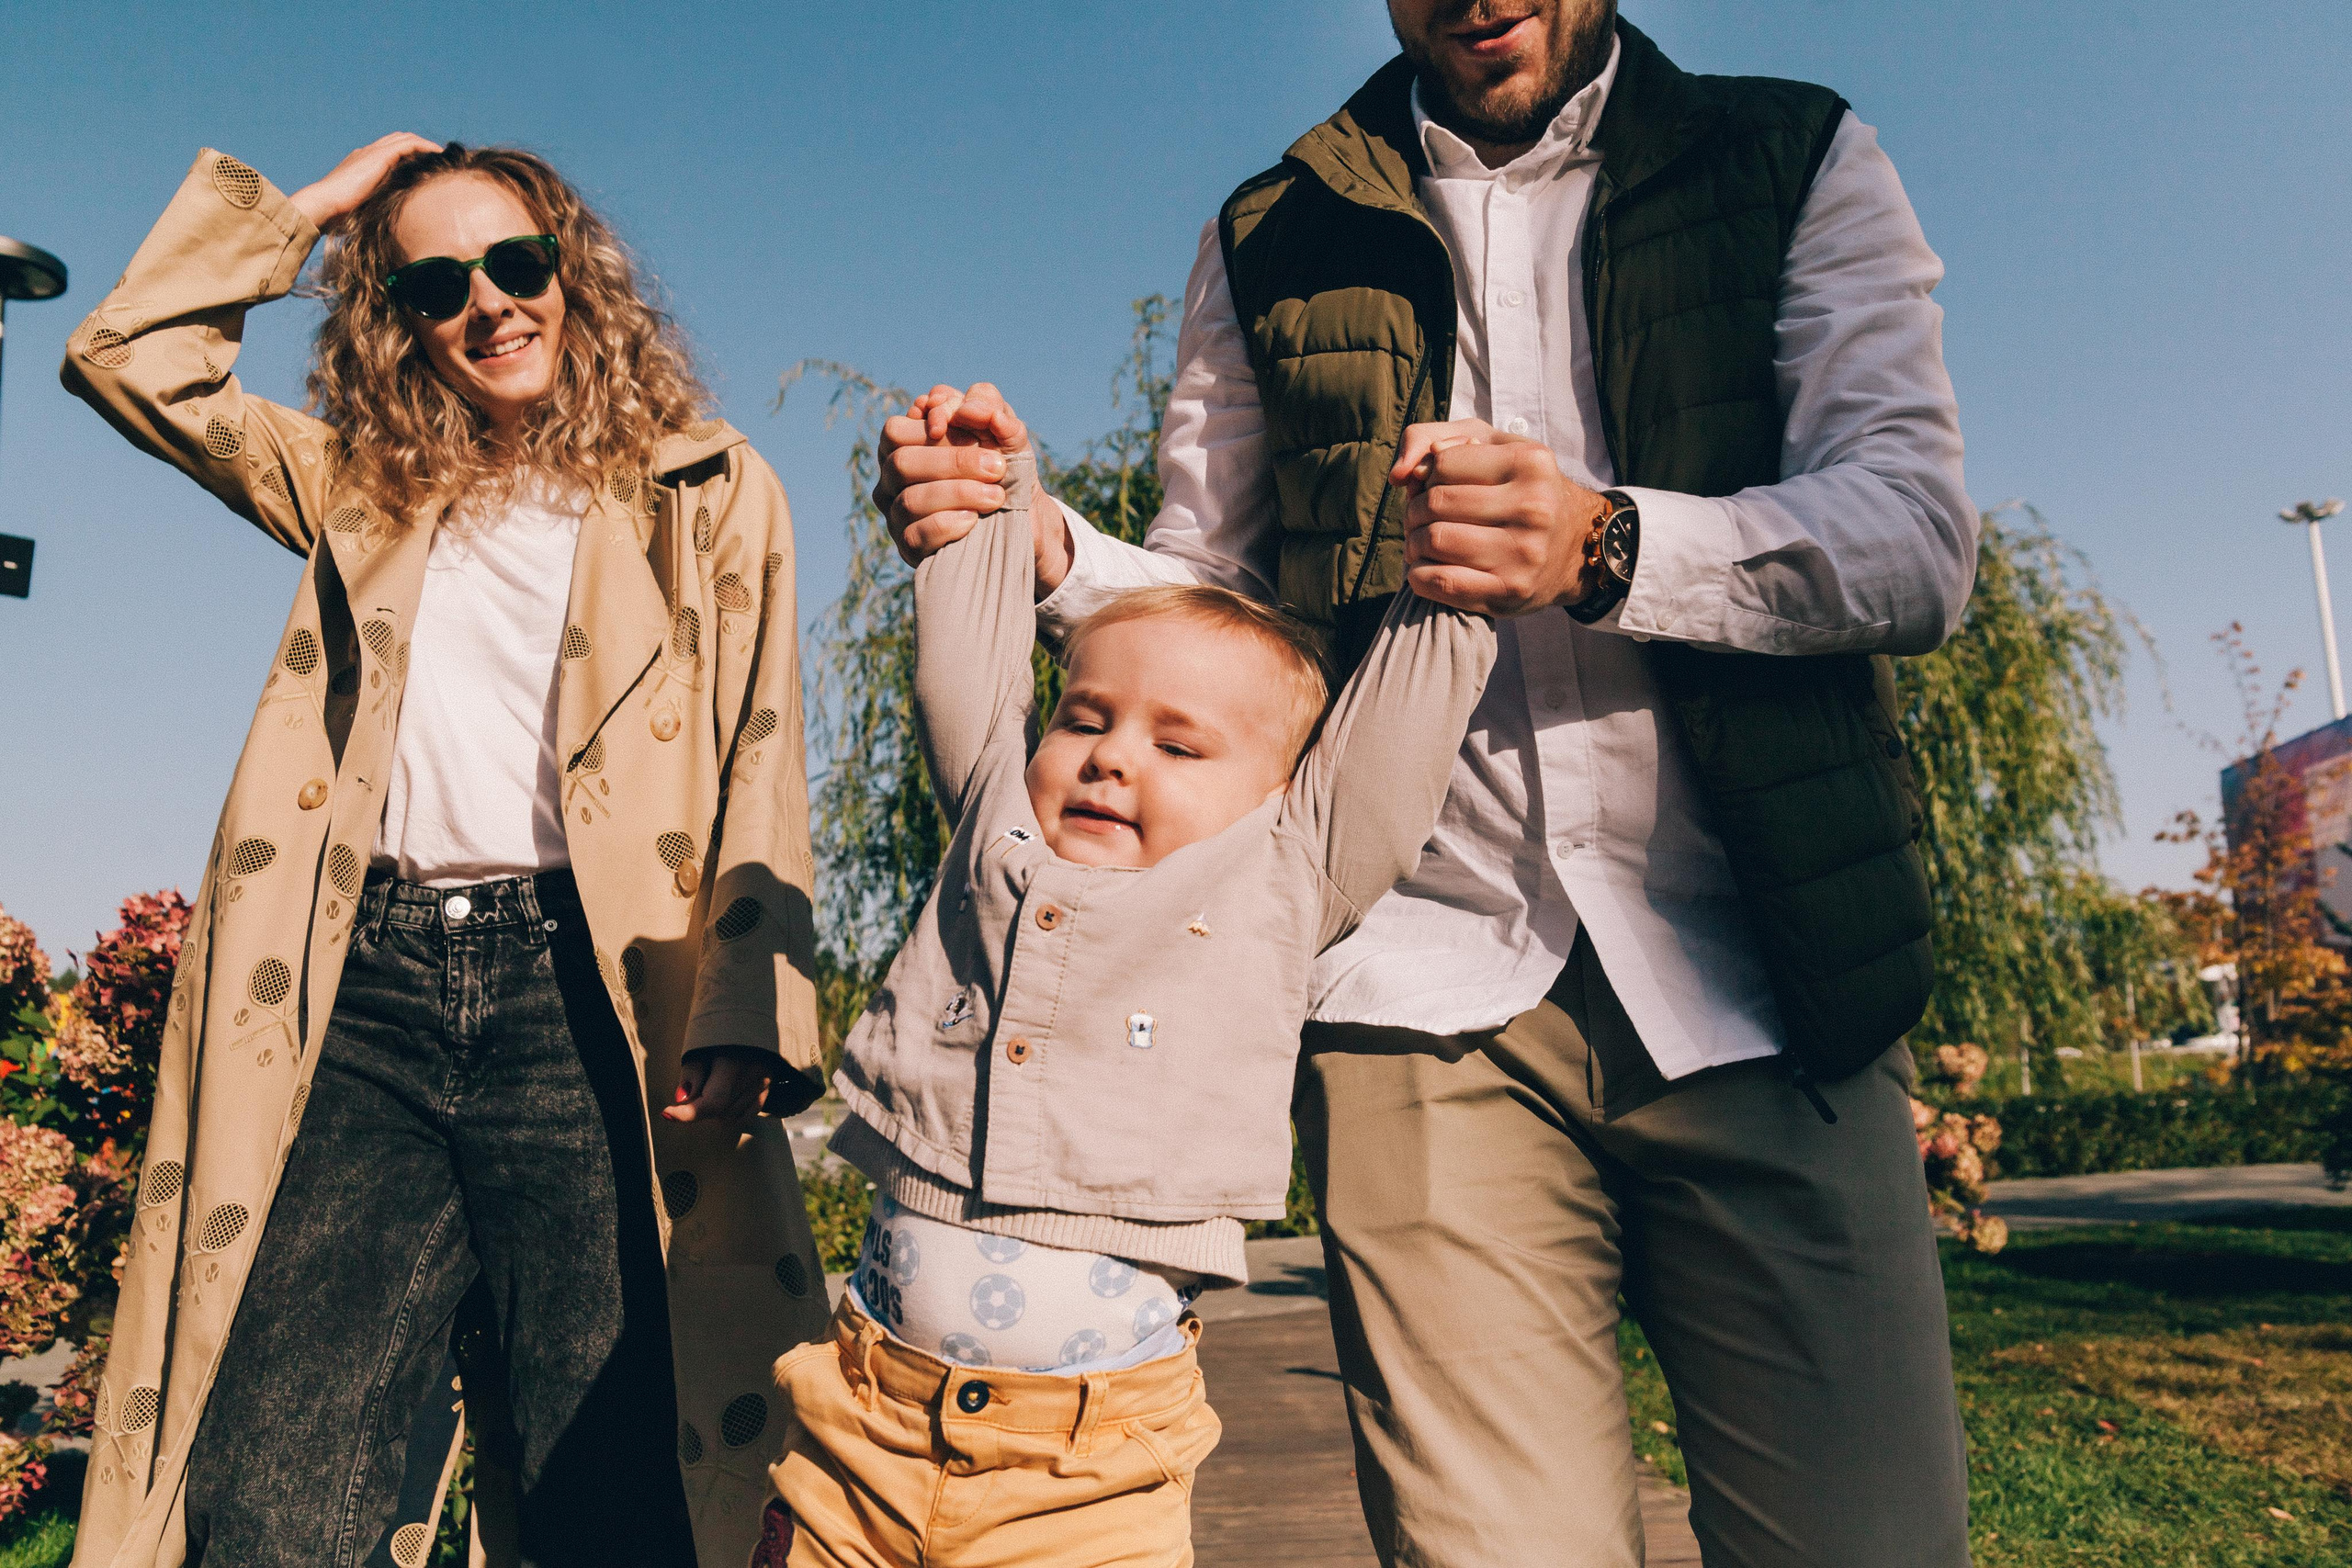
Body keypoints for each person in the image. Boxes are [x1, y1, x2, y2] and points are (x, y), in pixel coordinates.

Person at [876, 4, 1981, 1564]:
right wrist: (1039, 548)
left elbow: (1915, 539)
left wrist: (1606, 547)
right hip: (1415, 988)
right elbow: (1214, 609)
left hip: (1771, 971)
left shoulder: (1792, 154)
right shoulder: (1271, 227)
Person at [62, 136, 830, 1568]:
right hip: (367, 997)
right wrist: (320, 207)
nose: (489, 302)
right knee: (275, 1485)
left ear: (574, 275)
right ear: (397, 321)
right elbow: (130, 354)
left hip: (593, 1005)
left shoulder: (710, 490)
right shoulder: (361, 486)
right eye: (434, 283)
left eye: (517, 262)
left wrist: (747, 1005)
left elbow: (759, 747)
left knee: (609, 1475)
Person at [762, 407, 1493, 1566]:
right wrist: (994, 487)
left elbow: (1394, 747)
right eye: (1086, 718)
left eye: (1179, 745)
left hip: (1087, 1477)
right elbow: (969, 673)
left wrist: (1451, 576)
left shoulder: (1286, 874)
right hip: (865, 1431)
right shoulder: (998, 835)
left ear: (1276, 797)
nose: (1111, 755)